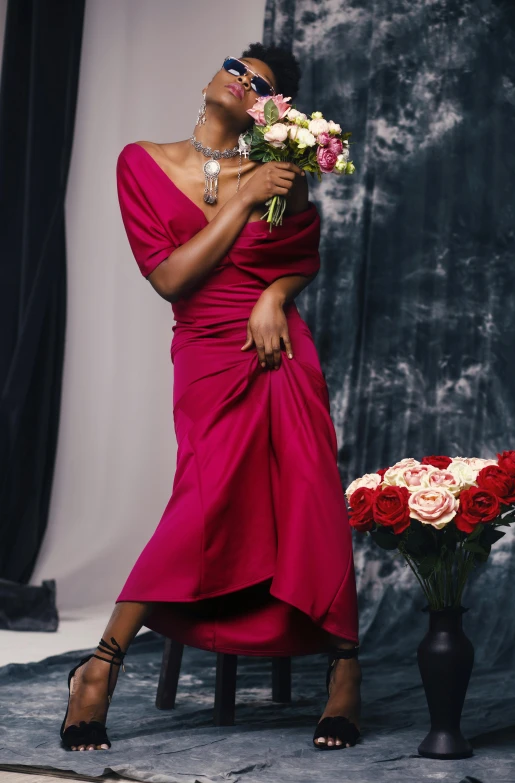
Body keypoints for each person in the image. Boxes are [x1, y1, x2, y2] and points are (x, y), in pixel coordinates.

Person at [59, 42, 361, 754]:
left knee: (314, 482)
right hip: (205, 346)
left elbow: (298, 258)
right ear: (213, 77)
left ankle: (346, 669)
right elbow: (170, 278)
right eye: (239, 68)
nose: (244, 82)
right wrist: (243, 199)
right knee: (205, 493)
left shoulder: (280, 170)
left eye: (262, 85)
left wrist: (276, 299)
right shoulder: (143, 161)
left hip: (276, 341)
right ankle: (99, 666)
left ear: (271, 109)